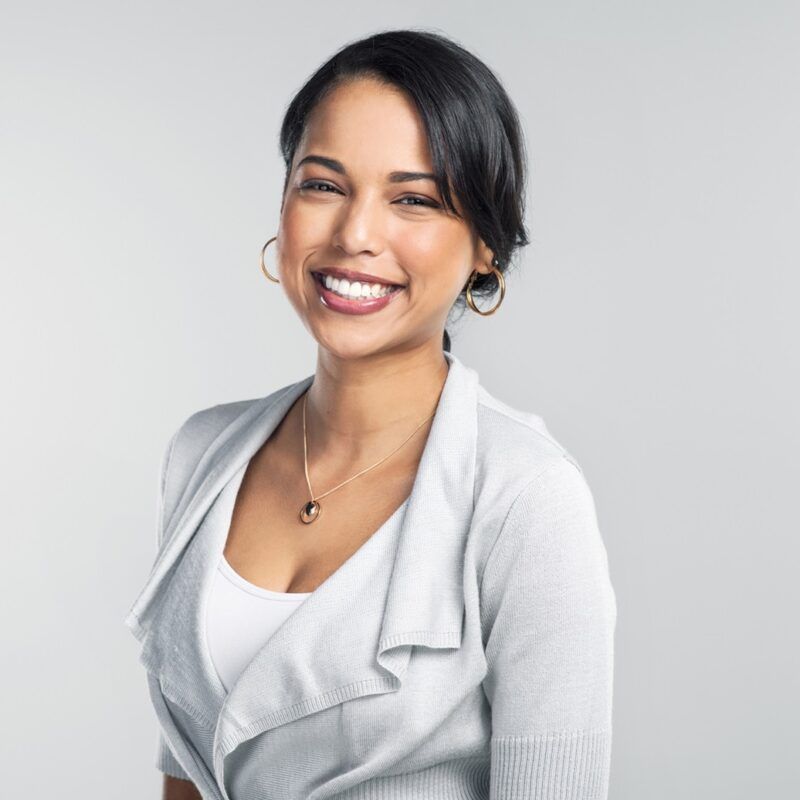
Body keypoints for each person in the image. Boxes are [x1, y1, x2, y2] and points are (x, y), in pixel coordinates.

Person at [124, 28, 617, 800]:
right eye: (323, 185)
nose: (355, 235)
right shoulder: (201, 455)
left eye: (413, 199)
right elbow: (188, 764)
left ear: (485, 245)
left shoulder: (525, 498)